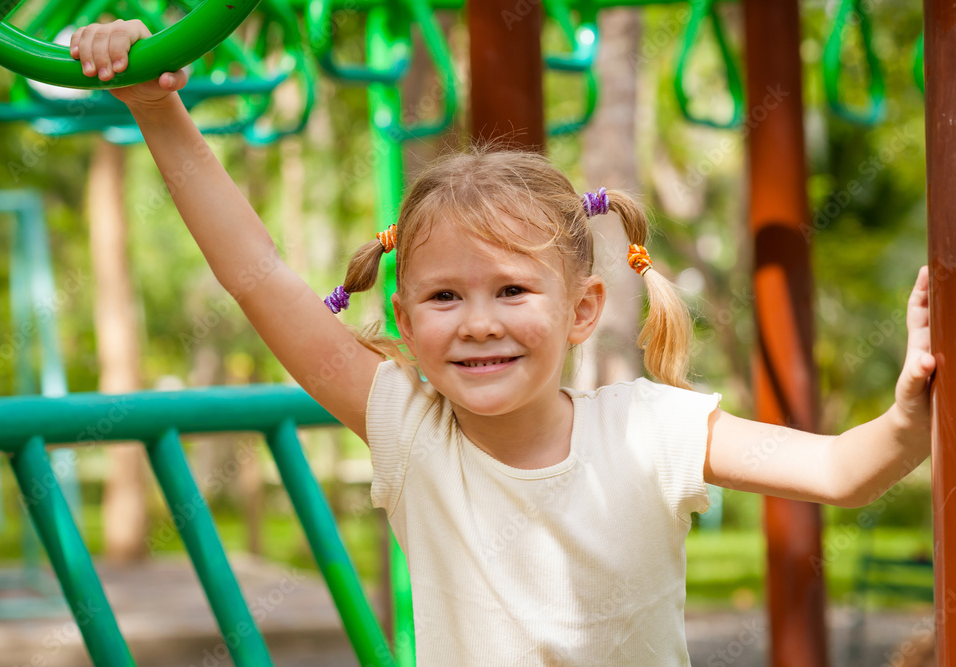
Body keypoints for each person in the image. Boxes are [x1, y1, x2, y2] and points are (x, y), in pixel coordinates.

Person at [69, 20, 936, 665]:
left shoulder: (649, 429)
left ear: (583, 309)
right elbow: (257, 275)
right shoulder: (409, 428)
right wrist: (156, 107)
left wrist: (907, 411)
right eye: (445, 296)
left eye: (512, 290)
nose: (478, 320)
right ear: (406, 323)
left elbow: (841, 472)